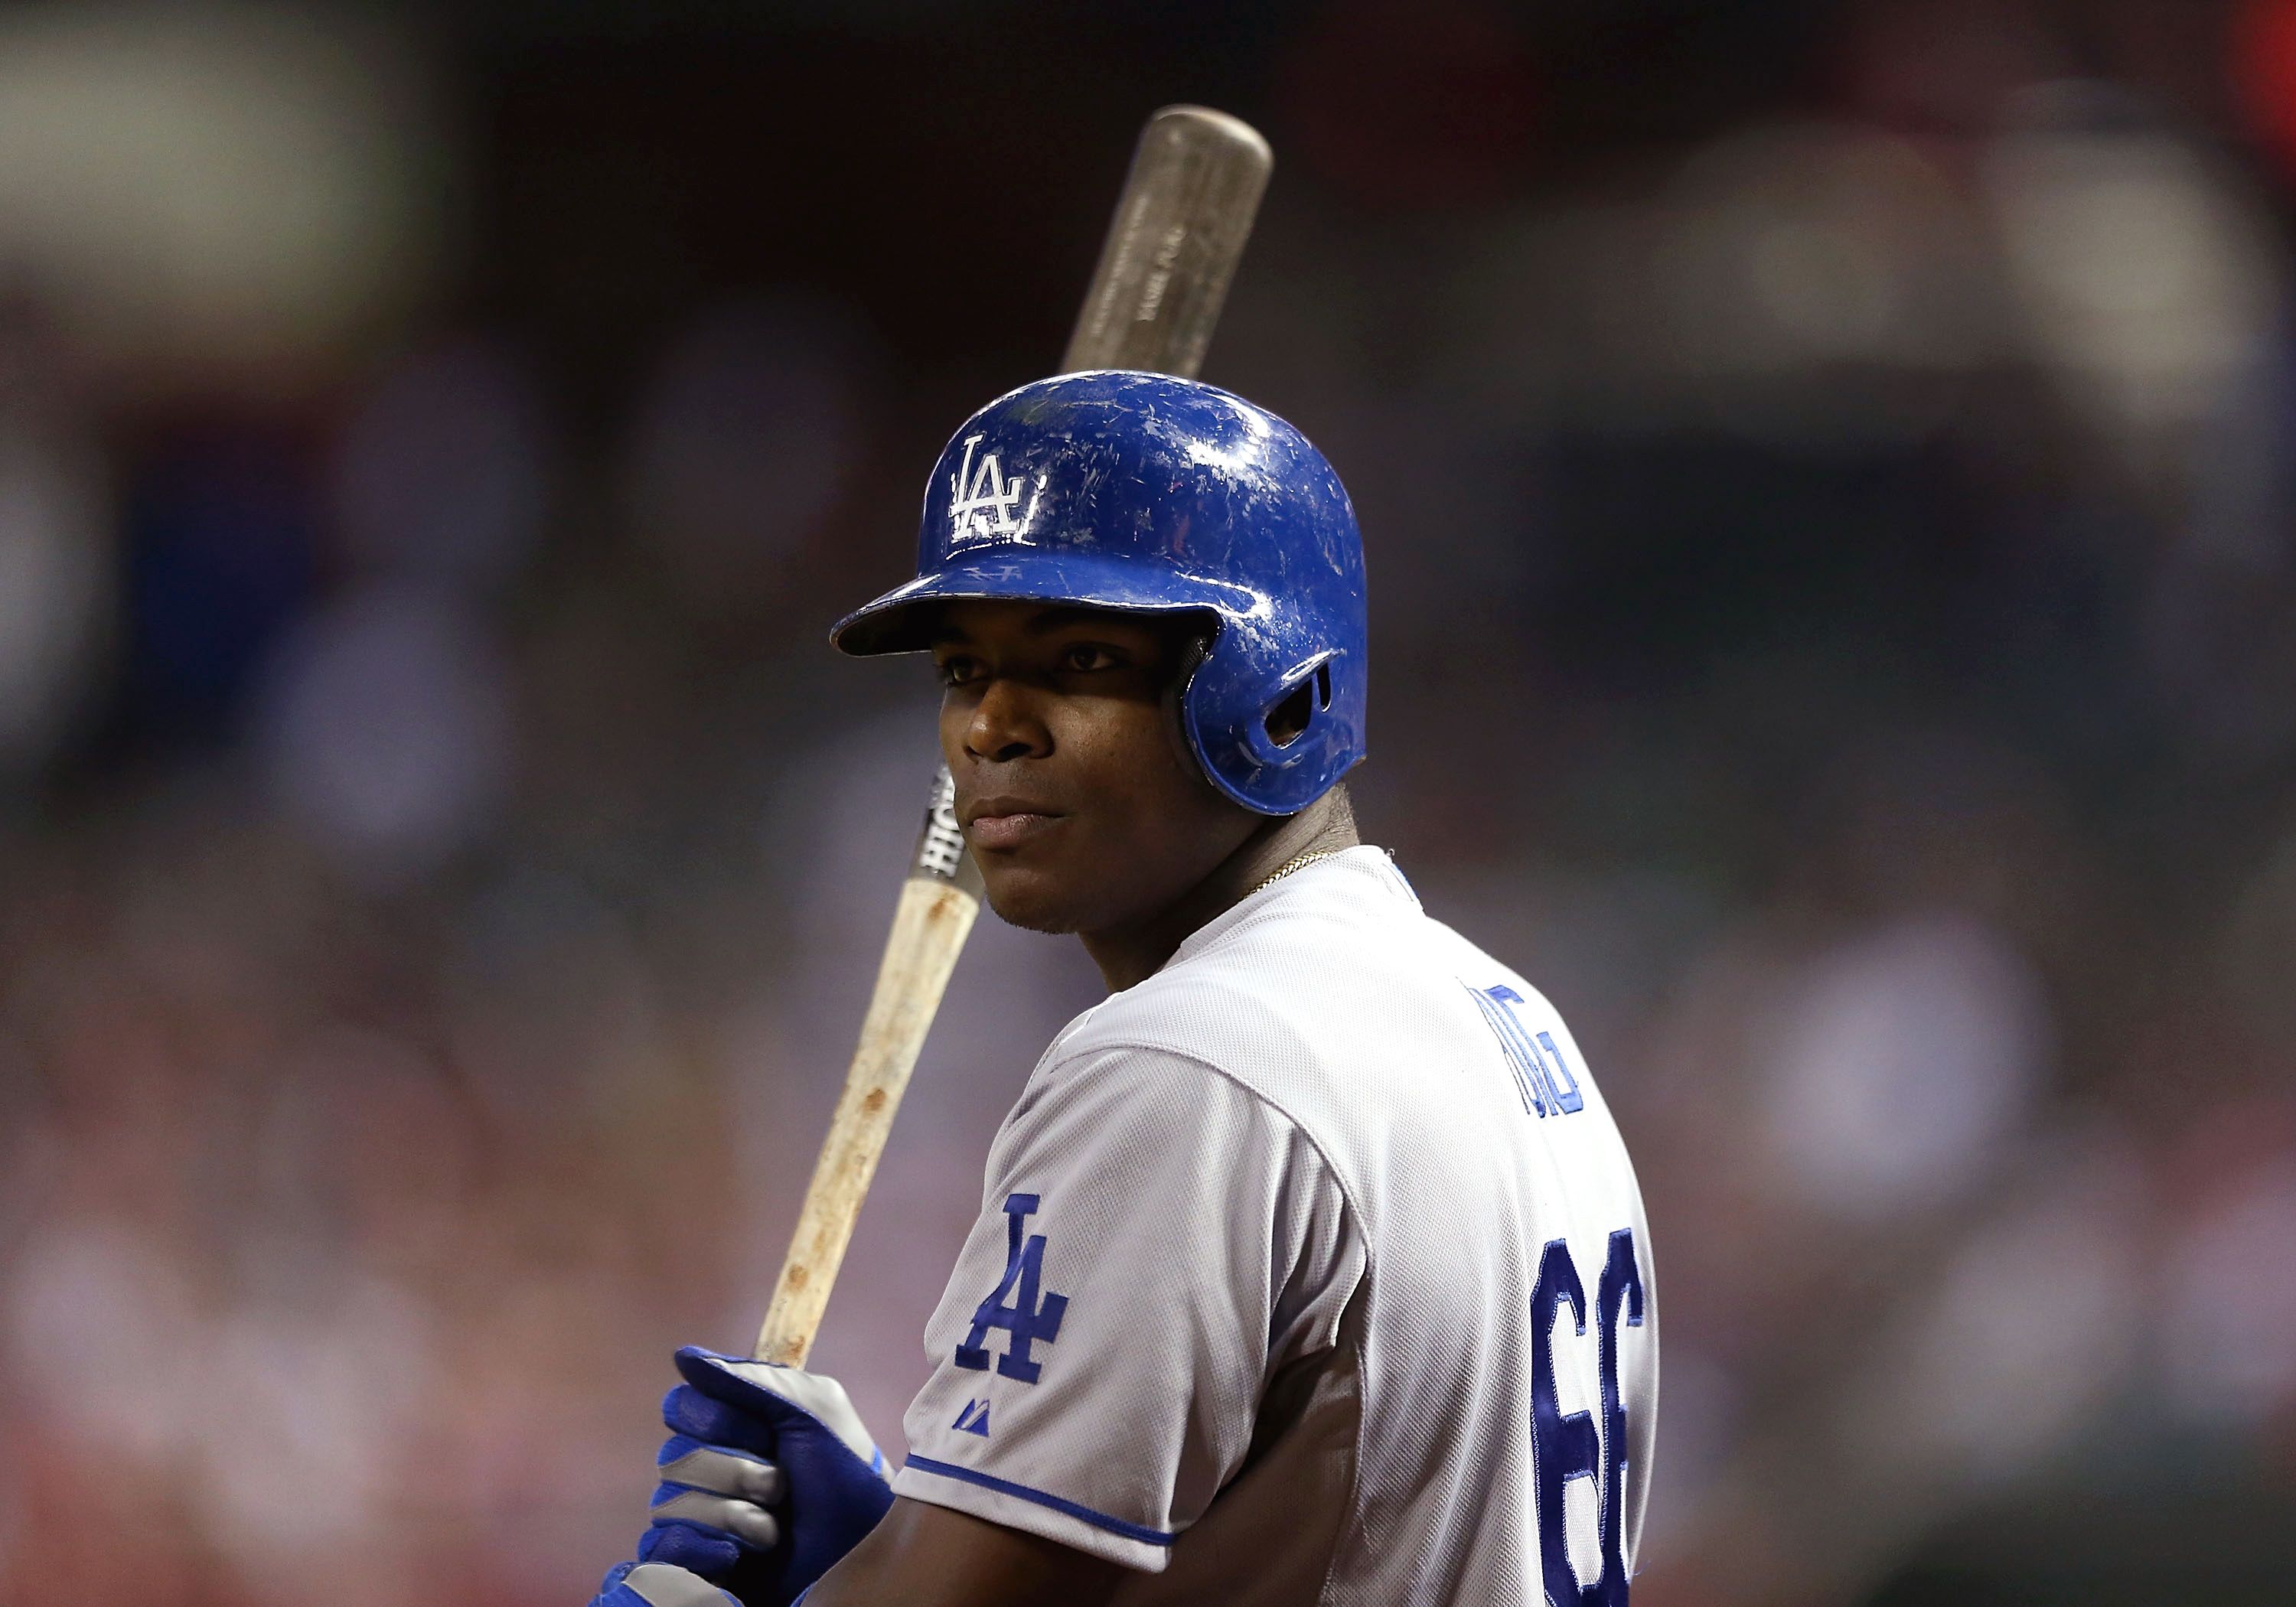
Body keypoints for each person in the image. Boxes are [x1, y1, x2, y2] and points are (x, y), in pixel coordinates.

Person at [589, 371, 1658, 1607]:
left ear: (1283, 688)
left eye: (1080, 659)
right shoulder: (1498, 1013)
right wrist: (907, 1539)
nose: (990, 727)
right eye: (962, 669)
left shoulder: (1189, 1060)